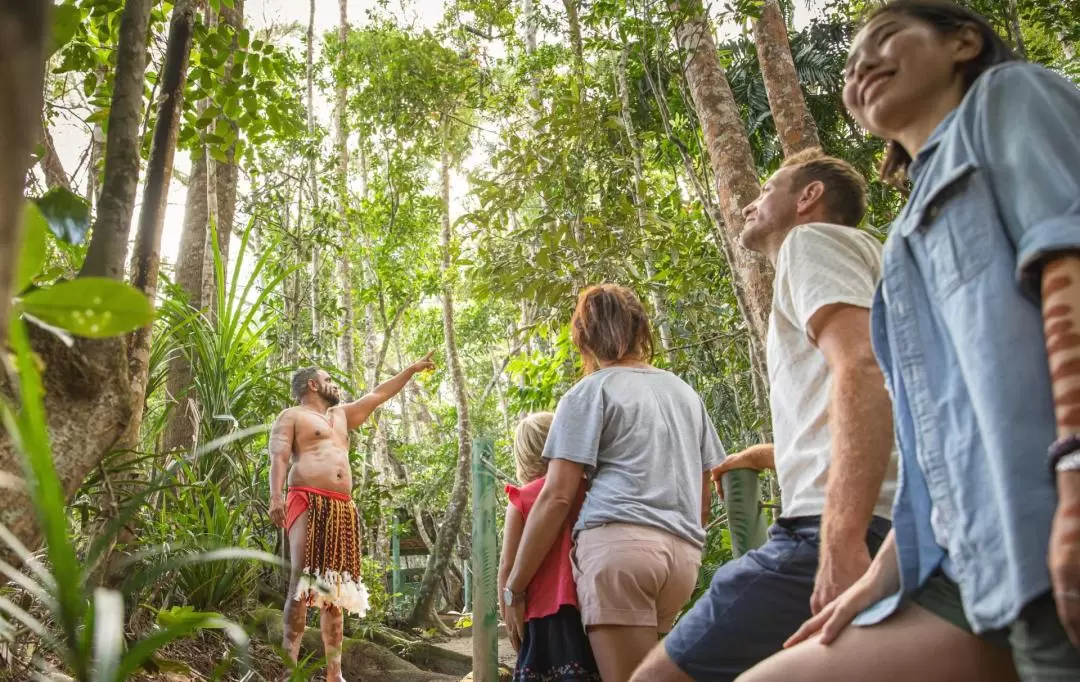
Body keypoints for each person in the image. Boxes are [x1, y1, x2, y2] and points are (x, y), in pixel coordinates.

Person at [737, 2, 1080, 681]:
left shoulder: (1009, 98)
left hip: (1052, 513)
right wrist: (881, 574)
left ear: (962, 41)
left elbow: (1068, 268)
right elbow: (935, 430)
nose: (861, 65)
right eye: (850, 63)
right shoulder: (899, 246)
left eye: (885, 39)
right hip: (978, 556)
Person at [631, 149, 900, 681]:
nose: (751, 203)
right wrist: (769, 455)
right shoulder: (871, 261)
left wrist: (840, 540)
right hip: (888, 523)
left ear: (809, 197)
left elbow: (862, 366)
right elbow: (876, 404)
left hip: (829, 528)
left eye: (768, 188)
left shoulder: (811, 242)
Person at [502, 284, 725, 682]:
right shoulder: (685, 393)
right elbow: (704, 497)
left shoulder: (588, 392)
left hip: (619, 554)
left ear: (582, 338)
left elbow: (555, 498)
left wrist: (515, 588)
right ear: (642, 330)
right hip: (682, 557)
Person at [268, 354, 436, 682]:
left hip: (342, 506)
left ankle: (335, 674)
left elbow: (379, 394)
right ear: (312, 385)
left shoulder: (341, 415)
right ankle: (289, 671)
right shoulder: (292, 416)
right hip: (306, 500)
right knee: (301, 583)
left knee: (334, 590)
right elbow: (279, 457)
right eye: (328, 378)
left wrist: (411, 370)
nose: (335, 384)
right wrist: (276, 498)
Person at [498, 412, 601, 682]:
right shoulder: (589, 489)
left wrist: (507, 609)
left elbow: (507, 564)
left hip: (540, 613)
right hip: (592, 605)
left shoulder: (522, 498)